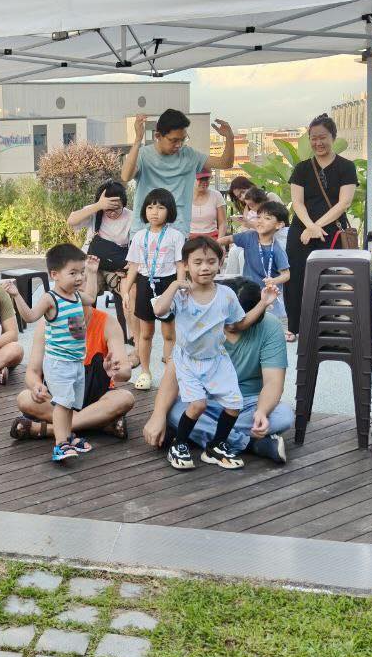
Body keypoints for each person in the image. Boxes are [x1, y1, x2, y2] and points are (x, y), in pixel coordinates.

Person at [152, 235, 275, 470]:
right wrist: (175, 284)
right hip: (188, 360)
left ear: (220, 262)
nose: (205, 267)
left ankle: (216, 446)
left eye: (211, 261)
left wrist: (264, 303)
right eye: (197, 262)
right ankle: (179, 444)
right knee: (197, 405)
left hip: (217, 360)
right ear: (186, 265)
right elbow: (159, 310)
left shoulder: (226, 294)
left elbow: (239, 323)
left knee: (234, 405)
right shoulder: (181, 295)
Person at [143, 277, 293, 465]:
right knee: (174, 411)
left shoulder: (270, 326)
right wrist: (158, 415)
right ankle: (251, 444)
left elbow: (273, 382)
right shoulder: (203, 318)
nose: (230, 326)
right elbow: (174, 371)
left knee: (284, 416)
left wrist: (262, 411)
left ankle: (193, 433)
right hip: (207, 402)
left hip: (247, 403)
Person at [12, 255, 135, 442]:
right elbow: (33, 372)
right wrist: (36, 386)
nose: (78, 283)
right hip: (59, 396)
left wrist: (115, 371)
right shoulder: (47, 324)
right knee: (24, 398)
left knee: (125, 398)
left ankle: (50, 429)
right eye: (73, 277)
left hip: (96, 398)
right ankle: (98, 424)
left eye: (83, 278)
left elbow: (125, 372)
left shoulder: (108, 323)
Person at [5, 244, 95, 463]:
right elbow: (29, 316)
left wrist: (92, 273)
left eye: (81, 272)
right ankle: (60, 444)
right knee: (62, 404)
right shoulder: (50, 298)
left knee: (70, 404)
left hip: (76, 361)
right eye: (73, 273)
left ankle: (68, 437)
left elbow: (91, 298)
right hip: (58, 363)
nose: (79, 277)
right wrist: (16, 295)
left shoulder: (76, 296)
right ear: (54, 274)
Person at [286, 113, 357, 340]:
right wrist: (309, 226)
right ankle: (294, 326)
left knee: (331, 279)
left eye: (323, 137)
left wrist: (316, 226)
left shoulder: (347, 167)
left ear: (333, 137)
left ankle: (328, 326)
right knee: (295, 277)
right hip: (301, 232)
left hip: (332, 232)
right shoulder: (302, 168)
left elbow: (344, 203)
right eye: (313, 138)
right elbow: (297, 202)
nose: (318, 142)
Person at [122, 108, 235, 238]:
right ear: (158, 136)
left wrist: (229, 138)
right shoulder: (143, 155)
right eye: (174, 140)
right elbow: (125, 176)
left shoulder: (189, 155)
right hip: (143, 232)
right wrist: (138, 140)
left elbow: (225, 163)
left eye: (183, 139)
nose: (179, 145)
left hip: (177, 233)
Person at [121, 188, 185, 391]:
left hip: (168, 285)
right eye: (150, 207)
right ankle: (145, 372)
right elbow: (133, 266)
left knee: (169, 333)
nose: (154, 212)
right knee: (145, 333)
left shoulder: (176, 236)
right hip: (144, 284)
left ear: (170, 210)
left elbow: (180, 265)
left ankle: (170, 375)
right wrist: (126, 291)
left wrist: (180, 287)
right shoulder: (140, 236)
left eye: (160, 207)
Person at [67, 179, 134, 343]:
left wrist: (130, 265)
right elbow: (71, 221)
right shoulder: (95, 211)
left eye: (117, 208)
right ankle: (81, 334)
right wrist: (98, 206)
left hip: (117, 269)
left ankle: (132, 334)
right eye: (108, 209)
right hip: (92, 266)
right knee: (80, 287)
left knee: (131, 291)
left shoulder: (131, 217)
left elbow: (137, 246)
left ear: (123, 204)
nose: (112, 213)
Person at [220, 199, 291, 323]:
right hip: (248, 293)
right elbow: (226, 240)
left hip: (269, 298)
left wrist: (274, 280)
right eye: (258, 217)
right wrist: (213, 247)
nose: (260, 221)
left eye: (267, 218)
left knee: (267, 323)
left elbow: (286, 274)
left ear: (279, 225)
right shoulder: (249, 236)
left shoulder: (277, 249)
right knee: (245, 321)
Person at [190, 169, 227, 239]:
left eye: (207, 179)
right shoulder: (185, 197)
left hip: (212, 239)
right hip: (190, 239)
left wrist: (219, 241)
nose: (204, 182)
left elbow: (223, 223)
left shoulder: (216, 195)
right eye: (200, 179)